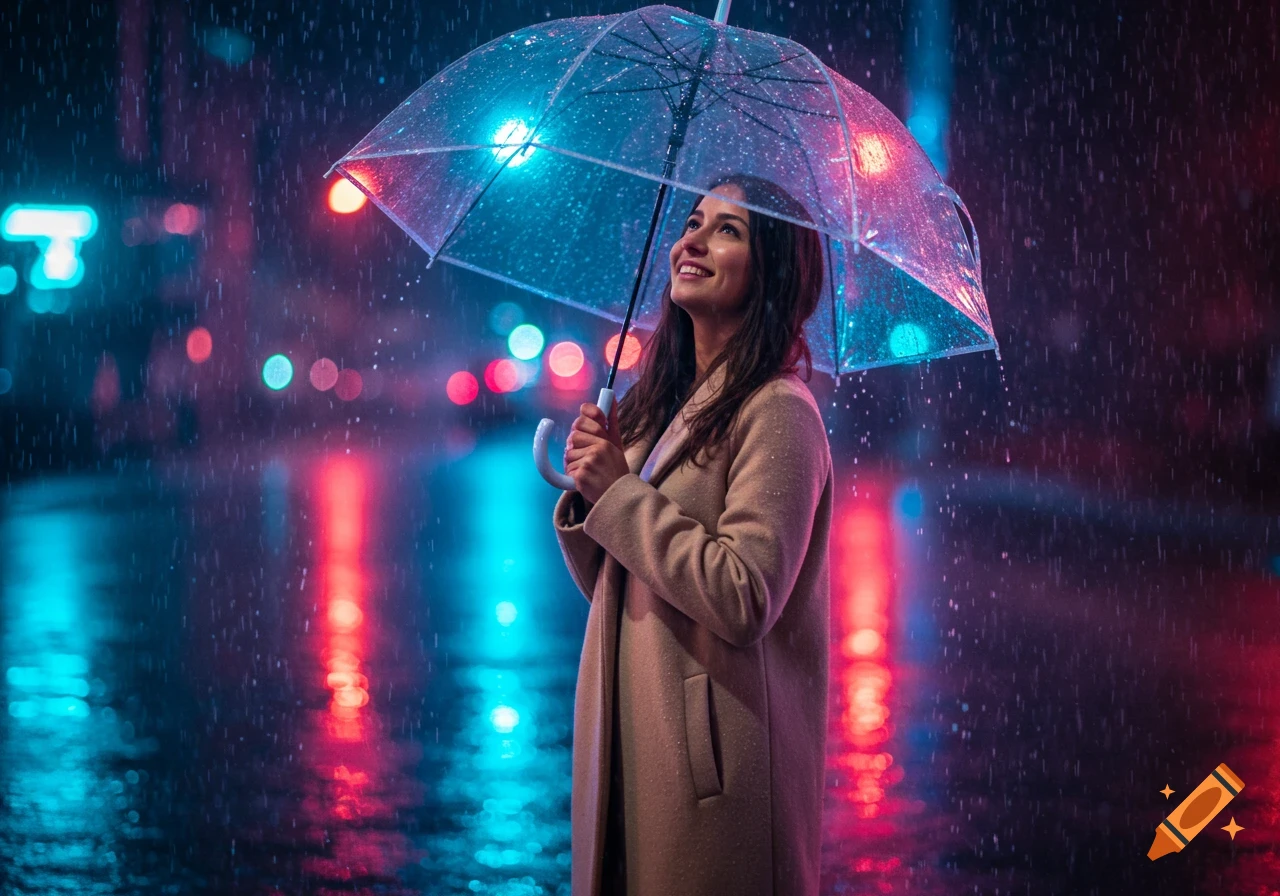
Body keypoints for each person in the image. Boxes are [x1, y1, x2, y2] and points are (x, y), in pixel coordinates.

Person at [552, 173, 834, 896]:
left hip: (715, 776)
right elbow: (627, 591)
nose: (693, 241)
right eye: (692, 222)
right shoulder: (667, 409)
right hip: (639, 746)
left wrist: (620, 491)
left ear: (771, 271)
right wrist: (596, 494)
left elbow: (744, 596)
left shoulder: (780, 412)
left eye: (728, 230)